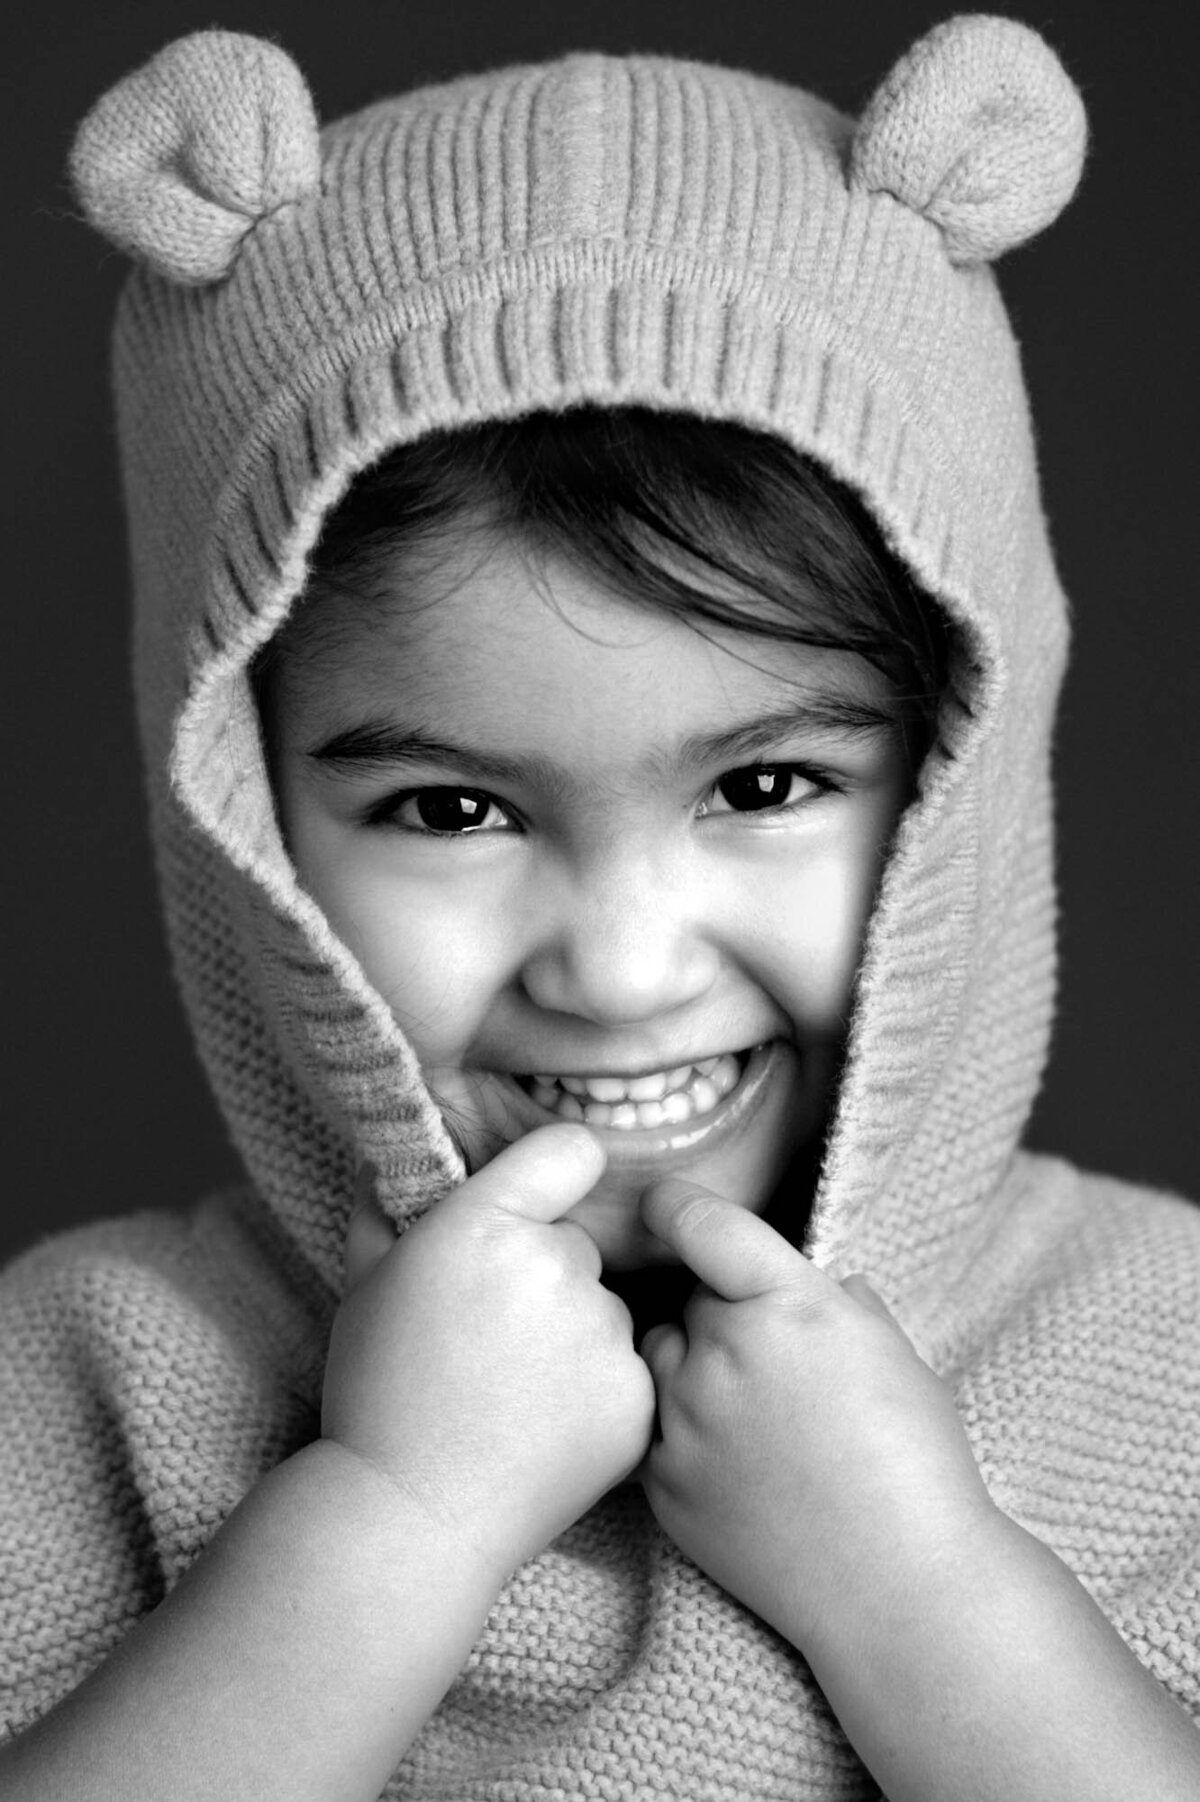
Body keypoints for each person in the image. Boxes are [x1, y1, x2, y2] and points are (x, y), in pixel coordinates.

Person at [1, 15, 1198, 1800]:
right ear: (241, 813)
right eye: (451, 807)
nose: (624, 969)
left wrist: (925, 1592)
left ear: (964, 758)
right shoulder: (85, 1390)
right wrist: (391, 1522)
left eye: (768, 786)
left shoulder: (1168, 1360)